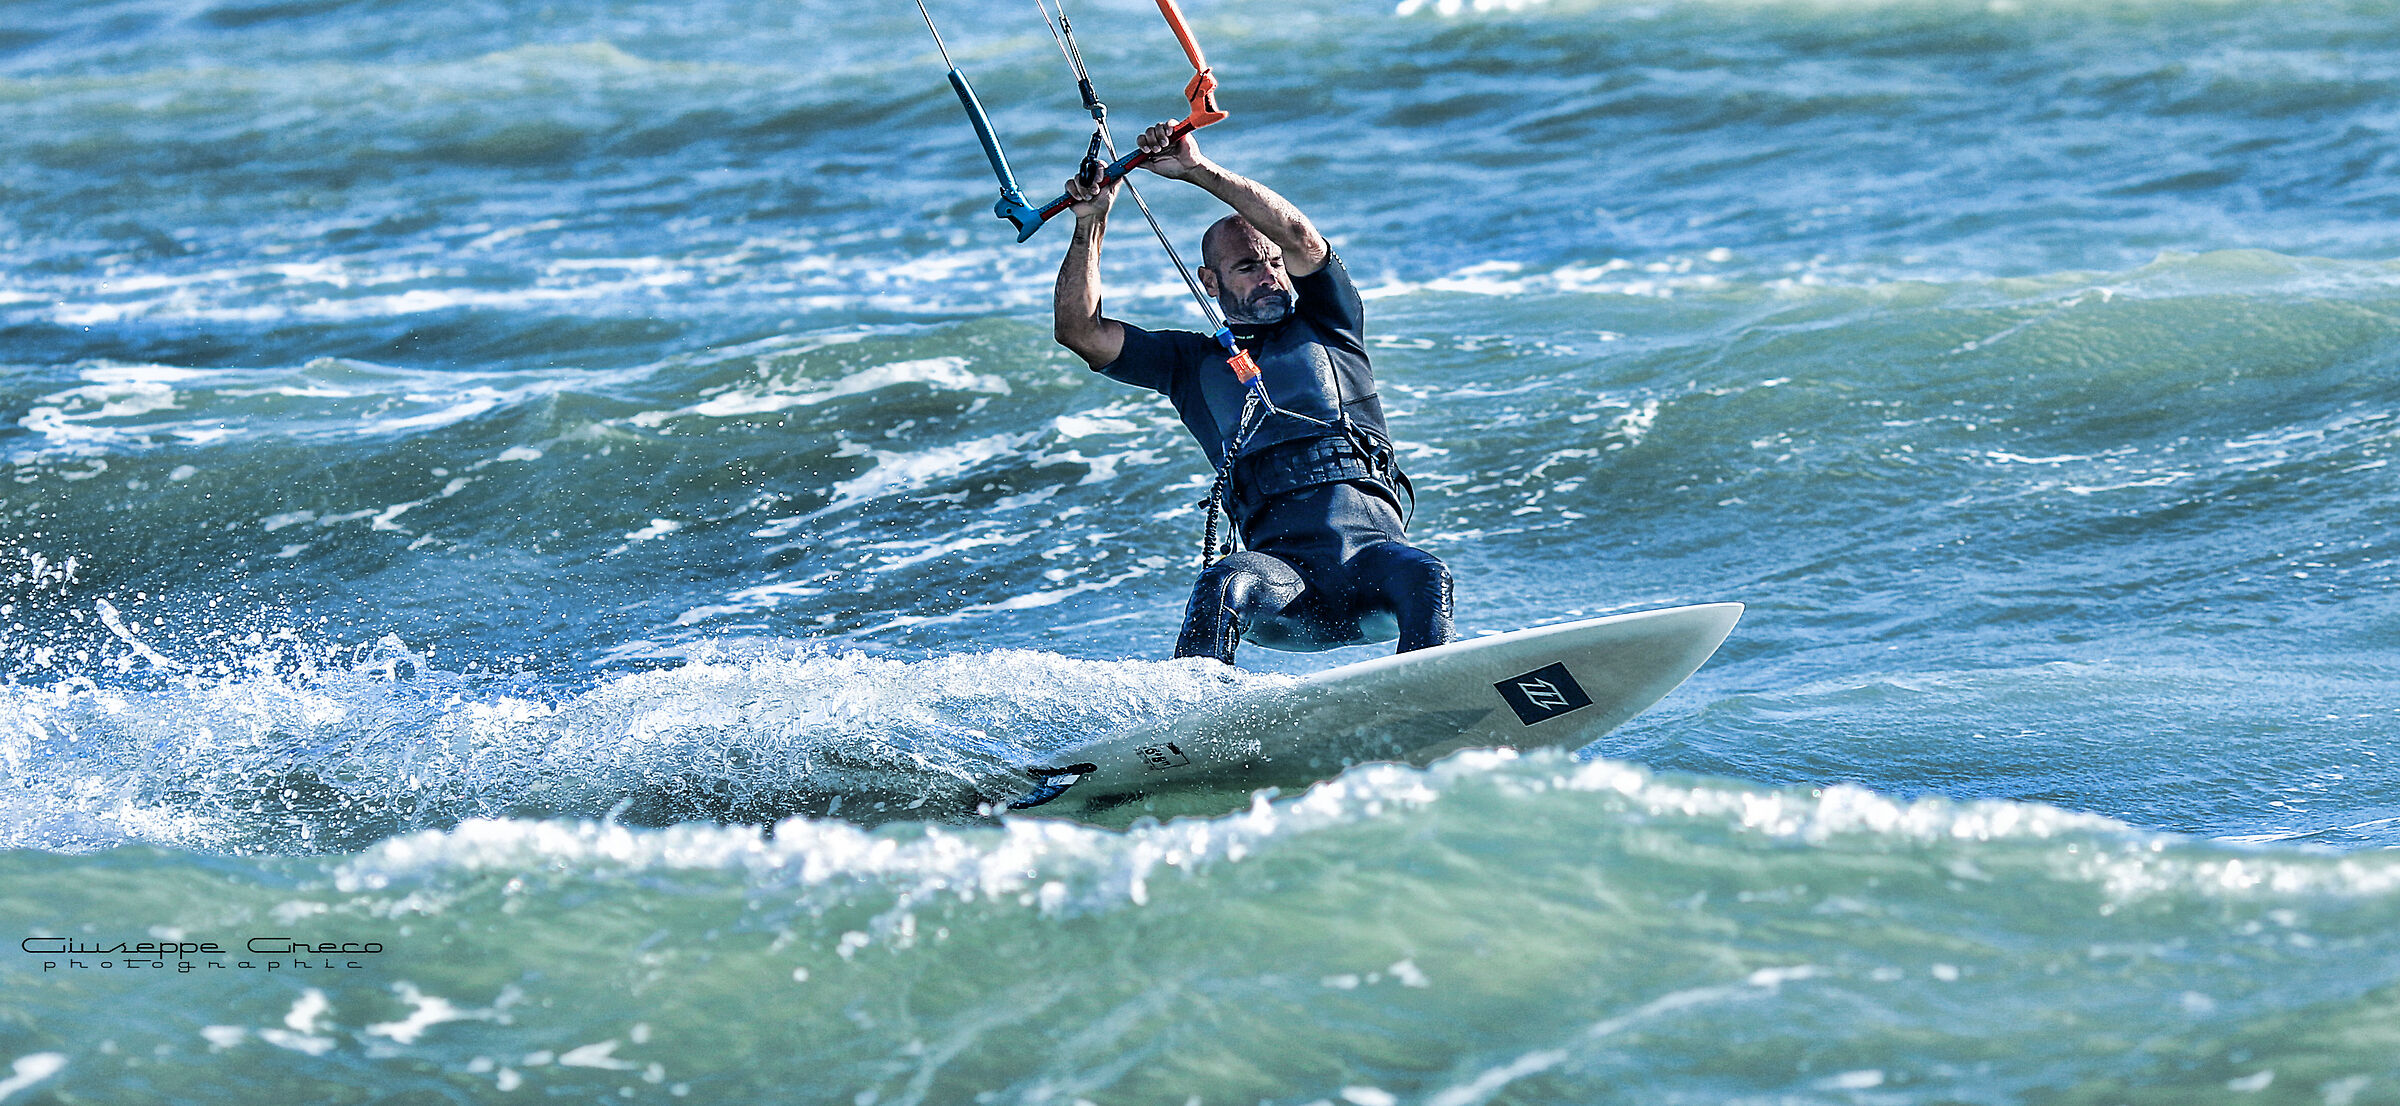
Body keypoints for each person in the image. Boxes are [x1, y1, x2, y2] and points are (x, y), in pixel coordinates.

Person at [1052, 121, 1454, 667]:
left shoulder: (1330, 322)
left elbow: (1300, 236)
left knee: (1426, 572)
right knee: (1224, 581)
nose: (1270, 276)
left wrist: (1197, 170)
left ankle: (1428, 693)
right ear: (1210, 282)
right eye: (1246, 267)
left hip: (1372, 563)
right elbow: (1079, 330)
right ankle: (1196, 709)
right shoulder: (1188, 364)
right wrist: (1091, 222)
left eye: (1273, 263)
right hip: (1283, 584)